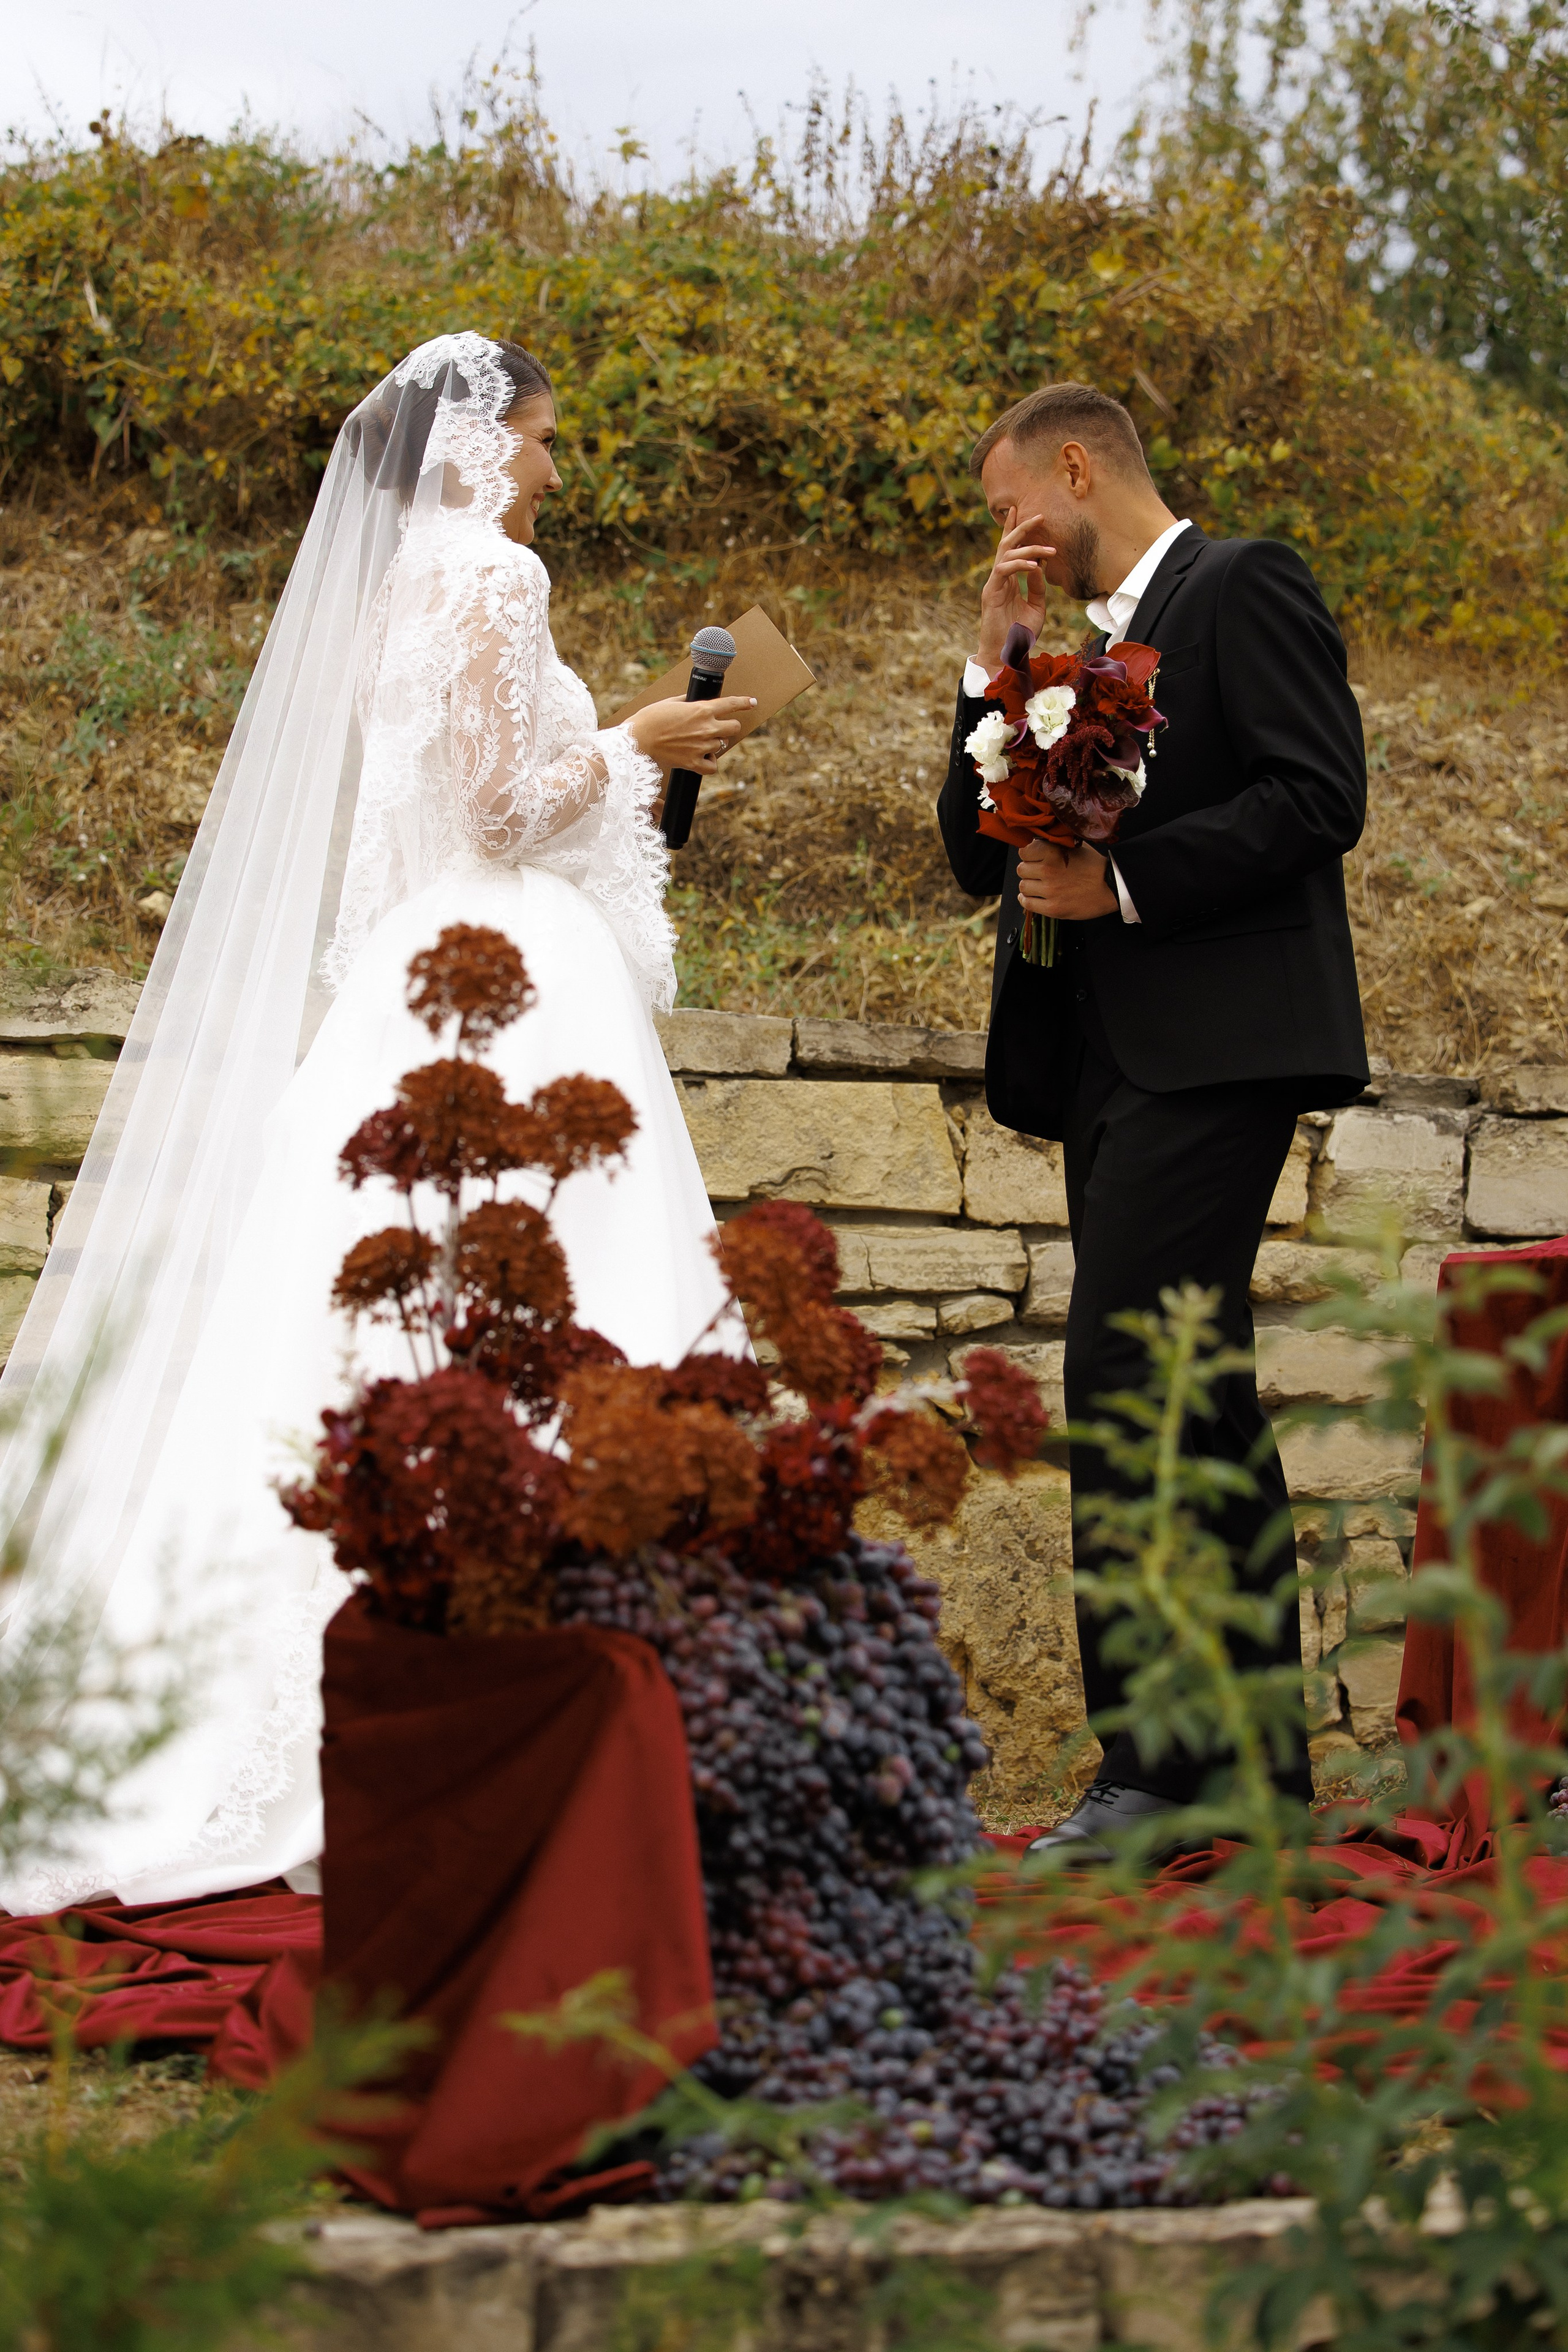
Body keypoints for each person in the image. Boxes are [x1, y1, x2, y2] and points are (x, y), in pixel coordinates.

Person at [0, 333, 753, 1913]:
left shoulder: (400, 581)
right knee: (537, 1300)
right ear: (481, 447)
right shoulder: (493, 576)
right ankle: (544, 1725)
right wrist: (639, 745)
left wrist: (609, 737)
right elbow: (503, 813)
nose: (553, 466)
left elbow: (465, 779)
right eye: (543, 438)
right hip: (506, 969)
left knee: (367, 1315)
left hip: (407, 976)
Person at [937, 381, 1369, 1860]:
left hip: (1217, 1046)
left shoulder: (1240, 583)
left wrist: (1125, 885)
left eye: (1012, 504)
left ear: (1075, 467)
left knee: (1124, 1379)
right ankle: (1251, 1788)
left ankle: (1152, 1779)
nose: (1007, 531)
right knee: (1200, 1396)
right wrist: (990, 672)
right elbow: (961, 854)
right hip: (1102, 1061)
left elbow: (1319, 798)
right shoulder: (1064, 652)